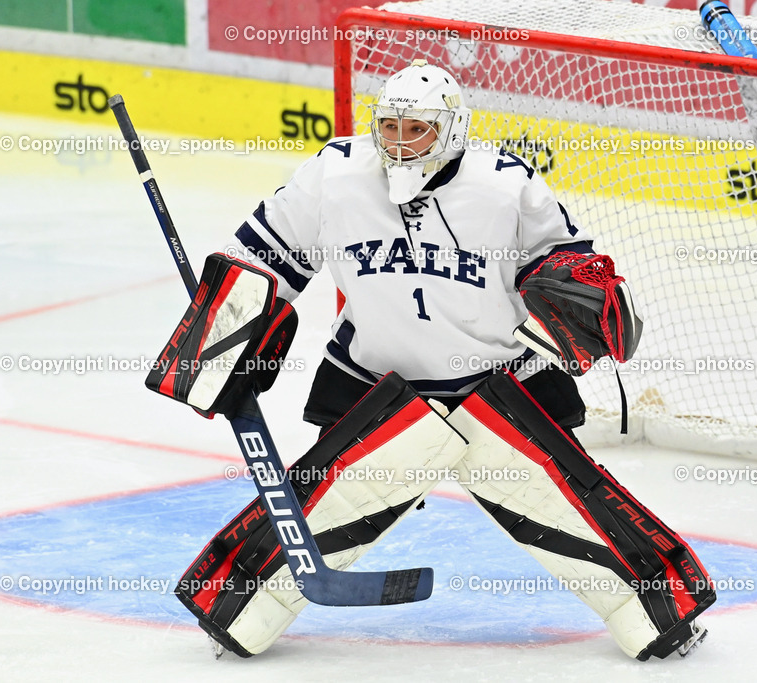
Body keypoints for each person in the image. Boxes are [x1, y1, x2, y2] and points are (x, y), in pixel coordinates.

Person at [153, 60, 714, 661]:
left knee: (571, 509)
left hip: (500, 385)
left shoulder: (503, 184)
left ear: (451, 129)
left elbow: (567, 266)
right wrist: (226, 329)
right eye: (388, 126)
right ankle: (236, 608)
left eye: (415, 129)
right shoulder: (335, 175)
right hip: (375, 381)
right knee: (326, 507)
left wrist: (576, 300)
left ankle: (661, 611)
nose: (398, 142)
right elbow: (263, 254)